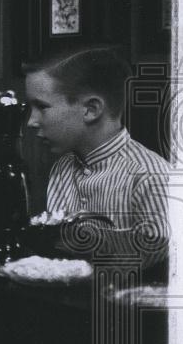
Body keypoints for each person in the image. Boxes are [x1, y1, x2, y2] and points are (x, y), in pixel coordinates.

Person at [24, 46, 171, 270]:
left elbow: (165, 273)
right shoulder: (62, 167)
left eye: (42, 107)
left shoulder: (151, 176)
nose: (31, 121)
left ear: (91, 109)